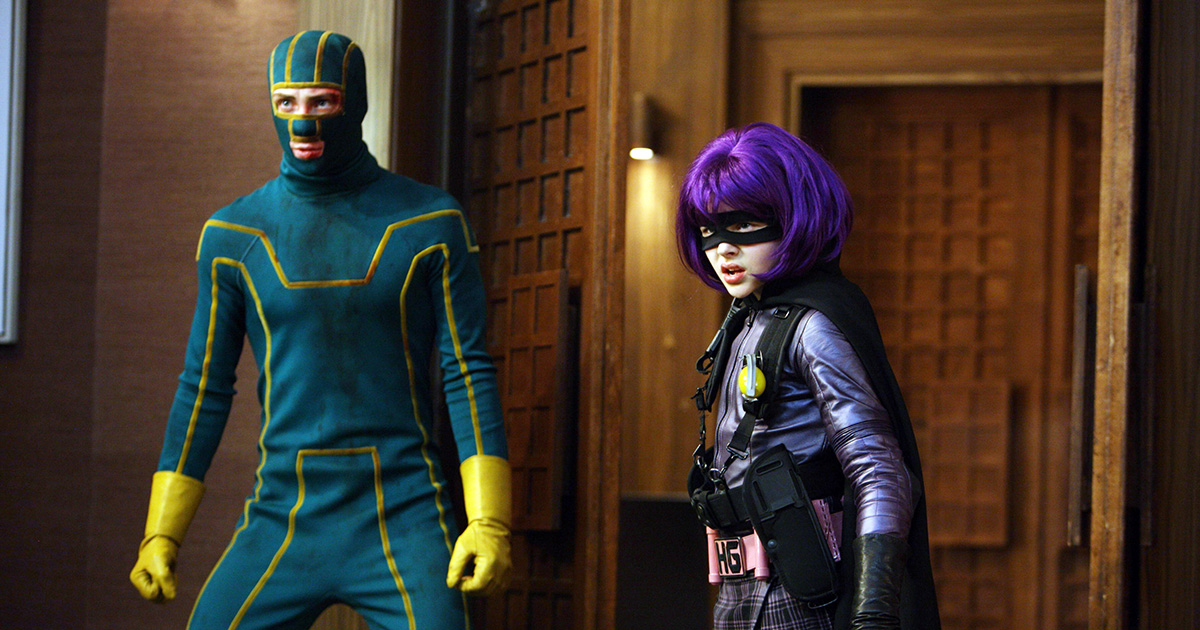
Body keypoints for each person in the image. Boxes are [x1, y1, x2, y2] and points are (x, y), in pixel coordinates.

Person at [128, 31, 511, 630]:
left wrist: (489, 520)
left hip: (403, 510)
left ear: (354, 101)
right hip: (284, 511)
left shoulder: (431, 223)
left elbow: (467, 371)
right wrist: (161, 532)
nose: (302, 122)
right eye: (286, 102)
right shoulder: (234, 234)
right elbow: (204, 386)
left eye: (322, 101)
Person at [677, 122, 939, 629]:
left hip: (800, 593)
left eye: (744, 224)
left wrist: (873, 611)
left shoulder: (812, 326)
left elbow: (878, 467)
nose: (722, 248)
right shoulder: (748, 317)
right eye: (708, 230)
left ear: (794, 217)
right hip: (740, 589)